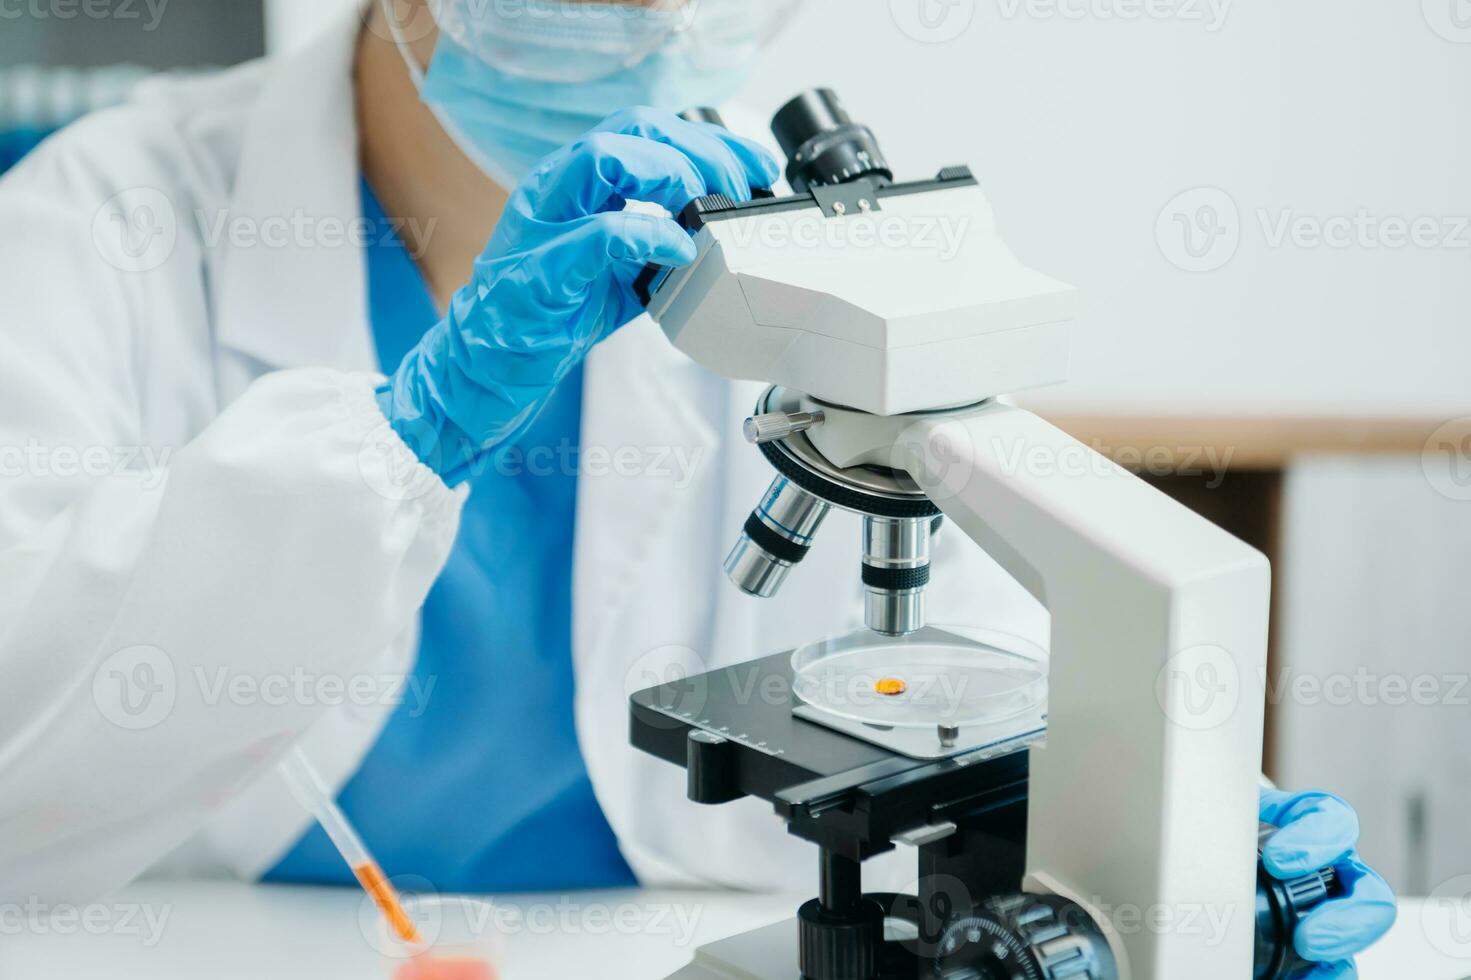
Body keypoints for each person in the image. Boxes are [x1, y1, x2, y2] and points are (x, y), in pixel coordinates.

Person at [0, 0, 1392, 972]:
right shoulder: (97, 231)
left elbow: (988, 669)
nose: (658, 16)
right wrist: (410, 434)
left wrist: (1172, 831)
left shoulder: (796, 240)